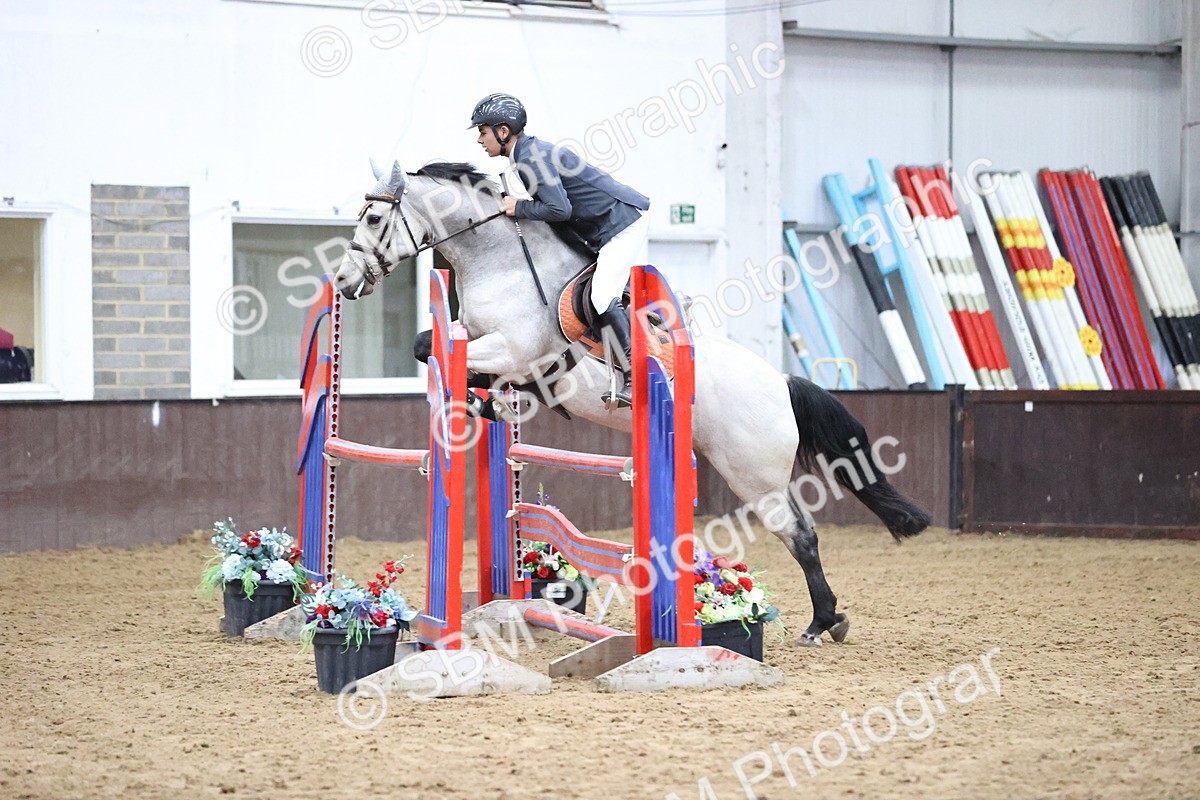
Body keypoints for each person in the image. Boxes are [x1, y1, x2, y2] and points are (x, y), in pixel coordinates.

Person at [469, 92, 650, 408]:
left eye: (483, 132)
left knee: (600, 295)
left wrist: (520, 207)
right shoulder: (525, 154)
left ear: (503, 131)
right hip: (599, 228)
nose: (480, 140)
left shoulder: (529, 158)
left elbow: (559, 209)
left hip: (620, 224)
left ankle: (636, 375)